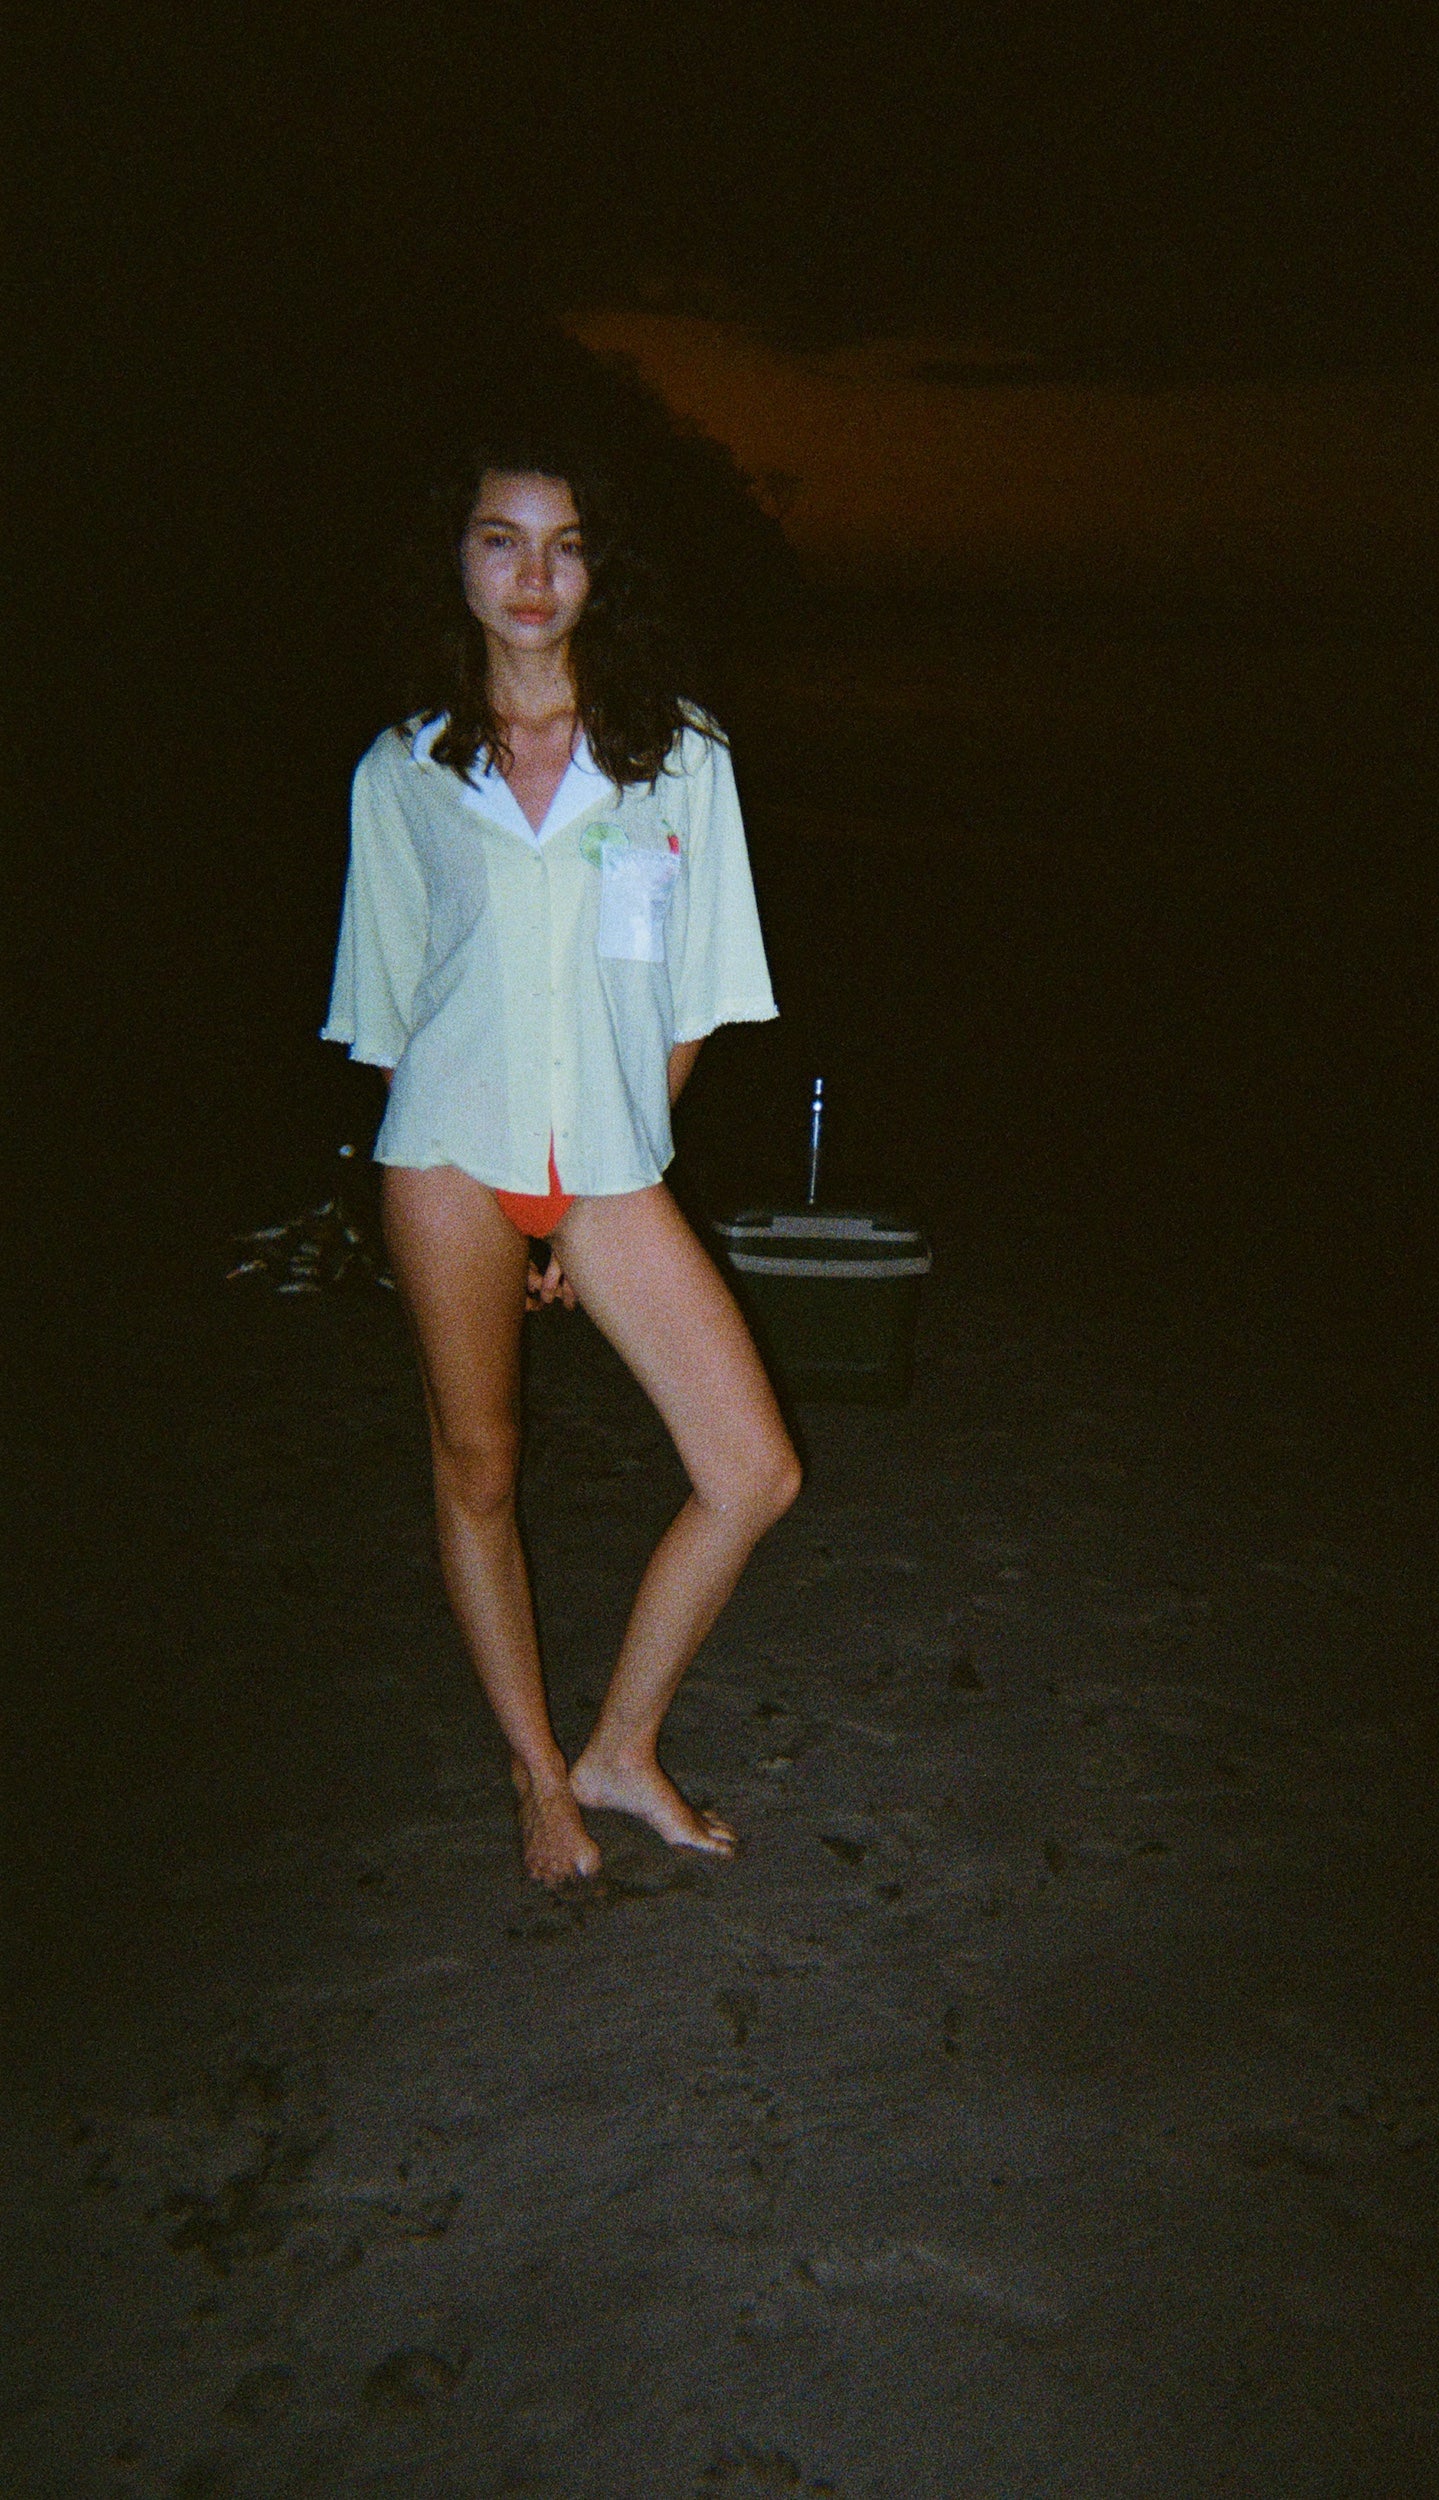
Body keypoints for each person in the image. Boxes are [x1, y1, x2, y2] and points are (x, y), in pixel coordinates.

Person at [322, 422, 800, 1885]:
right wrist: (500, 1217)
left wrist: (588, 1199)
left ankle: (621, 1746)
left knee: (752, 1470)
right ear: (456, 561)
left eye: (566, 542)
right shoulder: (403, 773)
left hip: (604, 1163)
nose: (534, 573)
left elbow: (696, 996)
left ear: (602, 570)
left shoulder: (678, 757)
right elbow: (392, 1009)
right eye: (500, 538)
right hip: (447, 1158)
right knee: (479, 1464)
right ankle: (540, 1772)